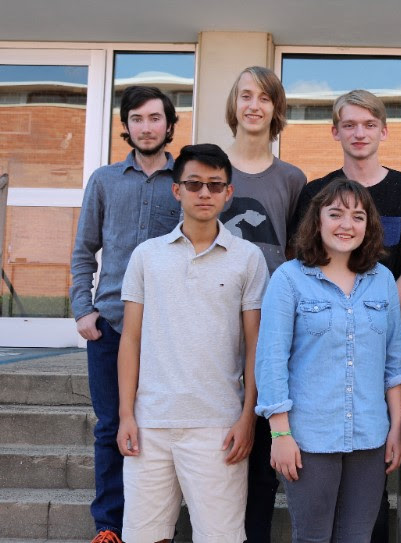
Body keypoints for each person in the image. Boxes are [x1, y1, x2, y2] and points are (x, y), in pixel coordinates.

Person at [289, 89, 401, 541]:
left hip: (386, 342)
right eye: (349, 124)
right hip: (323, 348)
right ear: (335, 131)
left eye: (369, 124)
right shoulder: (316, 192)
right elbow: (305, 264)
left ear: (384, 131)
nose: (359, 133)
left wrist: (373, 314)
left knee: (373, 457)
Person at [116, 143, 267, 543]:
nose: (205, 193)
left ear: (228, 193)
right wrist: (126, 415)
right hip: (151, 422)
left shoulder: (248, 258)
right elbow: (130, 340)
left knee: (219, 537)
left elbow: (256, 346)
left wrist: (246, 417)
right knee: (144, 537)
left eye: (215, 185)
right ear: (176, 190)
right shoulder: (146, 256)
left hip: (217, 423)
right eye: (194, 183)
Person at [257, 179, 401, 543]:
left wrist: (396, 430)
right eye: (336, 214)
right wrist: (280, 433)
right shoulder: (289, 279)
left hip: (370, 438)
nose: (347, 224)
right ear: (318, 220)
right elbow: (271, 360)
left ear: (368, 226)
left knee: (357, 537)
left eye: (358, 216)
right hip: (309, 438)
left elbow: (394, 362)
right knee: (312, 537)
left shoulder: (383, 280)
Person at [69, 85, 181, 543]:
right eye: (137, 118)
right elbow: (83, 251)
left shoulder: (186, 179)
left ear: (170, 126)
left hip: (170, 328)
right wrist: (83, 309)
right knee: (112, 425)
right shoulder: (104, 180)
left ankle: (157, 523)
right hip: (112, 325)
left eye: (155, 118)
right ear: (126, 126)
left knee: (161, 425)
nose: (147, 126)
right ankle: (110, 526)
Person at [222, 65, 307, 542]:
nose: (254, 105)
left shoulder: (292, 178)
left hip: (272, 330)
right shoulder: (212, 167)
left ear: (276, 110)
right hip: (216, 325)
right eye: (246, 95)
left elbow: (298, 253)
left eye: (265, 98)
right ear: (234, 105)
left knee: (259, 464)